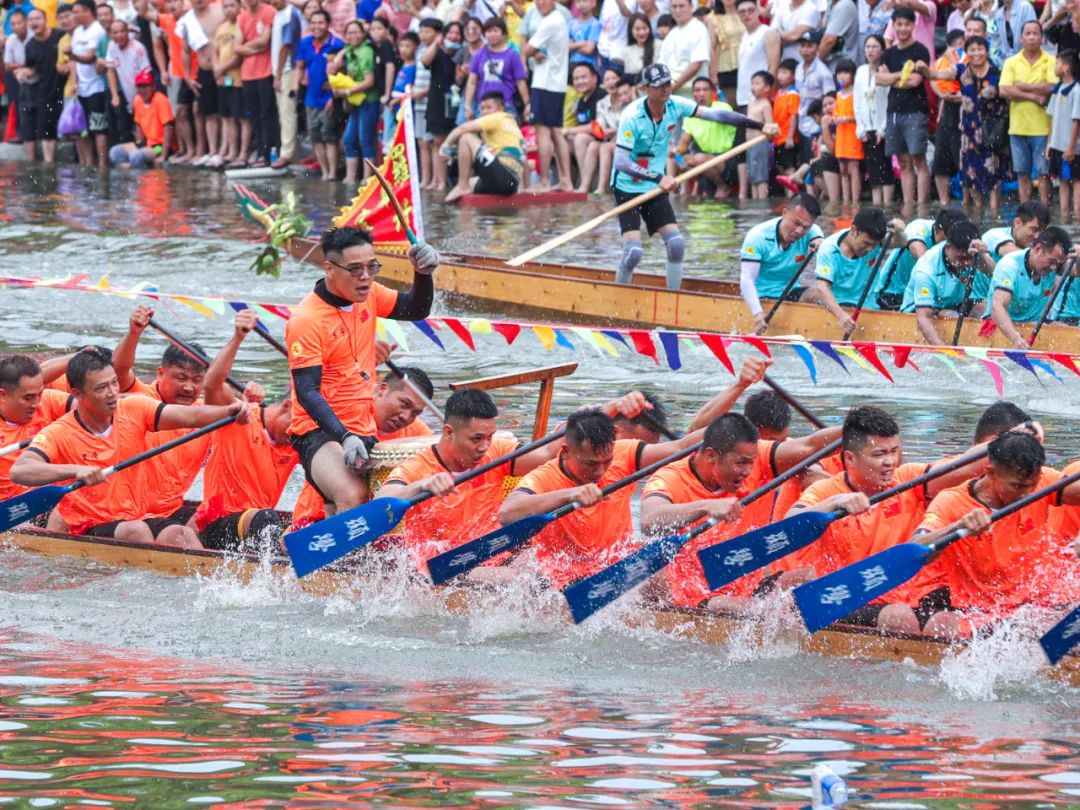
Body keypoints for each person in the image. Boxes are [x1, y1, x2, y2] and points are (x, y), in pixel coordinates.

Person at [11, 347, 250, 548]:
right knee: (135, 531)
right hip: (85, 524)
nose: (113, 393)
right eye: (101, 388)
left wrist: (228, 411)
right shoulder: (60, 431)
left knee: (180, 535)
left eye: (114, 383)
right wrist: (75, 470)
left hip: (136, 516)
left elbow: (192, 416)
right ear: (77, 394)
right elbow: (21, 470)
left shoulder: (135, 408)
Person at [780, 406, 986, 635]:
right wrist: (836, 502)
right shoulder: (826, 490)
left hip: (908, 595)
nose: (890, 461)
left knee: (949, 623)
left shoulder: (908, 479)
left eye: (894, 451)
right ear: (850, 458)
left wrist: (1016, 436)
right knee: (900, 617)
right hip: (848, 596)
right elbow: (790, 524)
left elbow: (968, 465)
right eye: (879, 455)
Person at [377, 388, 619, 579]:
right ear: (449, 432)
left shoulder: (497, 452)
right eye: (476, 438)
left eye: (490, 437)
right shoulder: (418, 467)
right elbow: (382, 504)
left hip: (494, 553)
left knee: (552, 563)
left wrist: (596, 416)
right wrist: (423, 485)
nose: (484, 447)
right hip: (444, 565)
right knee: (518, 579)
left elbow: (546, 453)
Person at [285, 227, 439, 517]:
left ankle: (333, 559)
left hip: (363, 426)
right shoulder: (307, 320)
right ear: (329, 268)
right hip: (318, 432)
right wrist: (344, 437)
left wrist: (423, 273)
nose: (366, 277)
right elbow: (306, 391)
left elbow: (416, 309)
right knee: (353, 495)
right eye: (355, 269)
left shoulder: (368, 294)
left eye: (372, 266)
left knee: (389, 497)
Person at [641, 412, 841, 613]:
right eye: (741, 463)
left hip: (750, 581)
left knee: (822, 578)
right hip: (698, 593)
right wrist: (706, 507)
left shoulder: (755, 455)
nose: (748, 471)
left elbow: (810, 446)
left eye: (751, 462)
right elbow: (649, 521)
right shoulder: (670, 478)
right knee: (757, 612)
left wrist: (858, 428)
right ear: (711, 455)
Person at [612, 63, 778, 291]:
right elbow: (621, 162)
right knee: (634, 252)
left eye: (667, 84)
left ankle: (674, 298)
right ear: (644, 89)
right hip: (627, 187)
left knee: (677, 245)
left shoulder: (675, 105)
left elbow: (718, 115)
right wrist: (657, 177)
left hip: (654, 188)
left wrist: (761, 126)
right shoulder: (631, 115)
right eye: (658, 86)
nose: (665, 90)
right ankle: (619, 295)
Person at [497, 408, 705, 590]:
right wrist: (570, 494)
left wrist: (734, 424)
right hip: (564, 577)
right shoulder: (544, 477)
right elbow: (507, 513)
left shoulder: (625, 452)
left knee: (661, 574)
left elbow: (680, 448)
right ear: (567, 451)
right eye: (590, 463)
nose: (600, 471)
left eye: (607, 461)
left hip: (615, 563)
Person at [915, 431, 1080, 637]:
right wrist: (956, 528)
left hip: (1030, 608)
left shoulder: (1044, 481)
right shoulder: (952, 501)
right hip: (974, 612)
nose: (1027, 494)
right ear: (990, 472)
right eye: (1017, 486)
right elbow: (917, 548)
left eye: (1032, 485)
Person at [191, 311, 297, 554]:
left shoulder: (298, 438)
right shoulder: (240, 416)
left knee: (298, 523)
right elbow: (212, 384)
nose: (299, 432)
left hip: (257, 524)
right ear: (286, 406)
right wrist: (238, 337)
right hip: (216, 524)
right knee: (265, 520)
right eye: (298, 422)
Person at [916, 36, 1009, 210]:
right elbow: (936, 75)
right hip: (969, 132)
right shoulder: (961, 70)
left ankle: (995, 215)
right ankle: (978, 213)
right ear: (966, 52)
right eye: (972, 50)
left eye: (980, 49)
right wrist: (924, 70)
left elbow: (1007, 96)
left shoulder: (998, 72)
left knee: (994, 177)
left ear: (987, 51)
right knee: (972, 176)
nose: (976, 53)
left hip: (991, 131)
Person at [738, 197, 825, 331]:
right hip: (761, 296)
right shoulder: (757, 236)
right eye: (796, 223)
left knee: (822, 296)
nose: (799, 231)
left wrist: (820, 244)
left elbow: (818, 237)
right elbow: (747, 278)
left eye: (805, 227)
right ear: (784, 213)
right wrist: (757, 313)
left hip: (791, 291)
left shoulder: (813, 232)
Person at [813, 207, 904, 334]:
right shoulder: (829, 249)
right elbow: (822, 288)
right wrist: (842, 316)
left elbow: (901, 244)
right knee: (810, 294)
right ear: (854, 230)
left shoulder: (875, 241)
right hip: (838, 306)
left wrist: (899, 232)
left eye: (873, 245)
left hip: (868, 306)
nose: (869, 249)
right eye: (866, 244)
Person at [985, 225, 1073, 349]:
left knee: (1065, 330)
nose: (1054, 268)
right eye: (1052, 262)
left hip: (1033, 325)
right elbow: (997, 307)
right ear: (1038, 249)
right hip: (1000, 328)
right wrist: (1015, 338)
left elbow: (1076, 271)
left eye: (1058, 264)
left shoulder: (1052, 266)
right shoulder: (1009, 266)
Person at [0, 355, 71, 504]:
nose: (37, 404)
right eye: (28, 398)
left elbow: (93, 410)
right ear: (2, 395)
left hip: (52, 497)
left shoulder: (48, 400)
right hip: (10, 511)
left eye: (39, 394)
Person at [900, 220, 985, 345]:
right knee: (952, 315)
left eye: (970, 258)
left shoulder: (973, 255)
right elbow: (923, 318)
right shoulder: (927, 268)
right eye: (962, 258)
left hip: (951, 303)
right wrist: (943, 351)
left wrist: (984, 255)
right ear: (948, 247)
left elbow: (994, 272)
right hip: (917, 310)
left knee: (985, 308)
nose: (967, 263)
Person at [877, 8, 931, 204]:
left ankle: (922, 206)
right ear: (893, 26)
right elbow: (879, 79)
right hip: (893, 111)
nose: (902, 28)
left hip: (915, 110)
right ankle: (909, 205)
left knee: (918, 159)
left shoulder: (920, 50)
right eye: (899, 24)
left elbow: (915, 81)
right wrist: (901, 75)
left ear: (913, 25)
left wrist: (891, 77)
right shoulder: (888, 53)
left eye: (906, 24)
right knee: (903, 161)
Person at [999, 20, 1055, 205]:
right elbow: (1004, 90)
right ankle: (1025, 211)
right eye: (1028, 33)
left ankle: (1044, 211)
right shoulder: (1011, 62)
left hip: (1042, 127)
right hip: (1018, 127)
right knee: (1022, 173)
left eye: (1035, 33)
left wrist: (1022, 87)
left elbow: (1052, 87)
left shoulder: (1051, 60)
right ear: (1021, 37)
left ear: (1041, 37)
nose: (1031, 37)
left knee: (1043, 173)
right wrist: (1034, 96)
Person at [876, 206, 970, 311]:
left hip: (924, 291)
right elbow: (924, 261)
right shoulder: (918, 228)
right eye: (950, 239)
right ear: (939, 230)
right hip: (893, 293)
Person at [523, 0, 571, 191]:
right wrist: (535, 54)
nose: (541, 2)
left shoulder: (550, 21)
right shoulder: (558, 19)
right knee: (556, 132)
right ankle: (566, 180)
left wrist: (532, 53)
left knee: (542, 131)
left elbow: (526, 49)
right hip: (556, 84)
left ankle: (544, 181)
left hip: (545, 83)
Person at [442, 90, 525, 200]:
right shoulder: (512, 124)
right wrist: (524, 187)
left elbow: (462, 128)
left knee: (466, 136)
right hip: (511, 184)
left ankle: (462, 186)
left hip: (503, 176)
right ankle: (464, 187)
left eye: (489, 107)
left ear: (500, 109)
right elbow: (523, 156)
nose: (485, 112)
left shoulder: (498, 117)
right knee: (471, 182)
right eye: (482, 108)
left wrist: (445, 145)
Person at [293, 9, 342, 181]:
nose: (316, 26)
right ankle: (324, 172)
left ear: (328, 24)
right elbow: (299, 66)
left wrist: (333, 97)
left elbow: (344, 73)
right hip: (310, 98)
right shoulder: (305, 43)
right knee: (315, 136)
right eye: (313, 22)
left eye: (320, 22)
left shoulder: (337, 44)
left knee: (329, 136)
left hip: (330, 97)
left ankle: (333, 173)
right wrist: (296, 87)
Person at [328, 19, 376, 185]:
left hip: (369, 100)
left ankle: (368, 178)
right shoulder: (349, 50)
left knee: (365, 138)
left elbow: (369, 81)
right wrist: (339, 57)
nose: (353, 35)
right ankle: (350, 177)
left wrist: (346, 91)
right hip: (355, 102)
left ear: (363, 34)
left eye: (356, 32)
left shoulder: (366, 52)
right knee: (349, 138)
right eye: (349, 33)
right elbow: (337, 61)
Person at [673, 76, 737, 197]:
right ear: (692, 94)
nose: (701, 94)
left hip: (726, 159)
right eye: (697, 90)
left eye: (705, 90)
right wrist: (678, 152)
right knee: (675, 158)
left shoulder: (722, 107)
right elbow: (684, 142)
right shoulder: (690, 115)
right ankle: (678, 191)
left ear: (712, 92)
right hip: (704, 159)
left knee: (699, 158)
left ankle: (722, 186)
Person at [16, 8, 64, 162]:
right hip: (44, 91)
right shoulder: (30, 45)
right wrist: (25, 72)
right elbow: (33, 68)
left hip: (66, 89)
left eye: (37, 18)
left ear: (45, 20)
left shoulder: (60, 36)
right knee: (46, 132)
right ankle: (48, 166)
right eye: (31, 20)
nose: (34, 22)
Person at [235, 0, 278, 168]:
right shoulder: (242, 17)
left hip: (265, 71)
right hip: (247, 74)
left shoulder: (269, 11)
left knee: (267, 115)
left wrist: (246, 46)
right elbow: (236, 47)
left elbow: (265, 41)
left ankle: (268, 154)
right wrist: (254, 47)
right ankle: (261, 152)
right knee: (255, 116)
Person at [463, 18, 527, 121]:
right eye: (488, 31)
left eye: (495, 31)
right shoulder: (479, 54)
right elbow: (472, 83)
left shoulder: (512, 55)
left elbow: (520, 82)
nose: (491, 34)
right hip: (484, 106)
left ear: (503, 33)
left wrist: (527, 104)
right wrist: (467, 106)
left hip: (506, 104)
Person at [68, 0, 107, 171]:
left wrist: (72, 54)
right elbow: (73, 62)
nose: (74, 15)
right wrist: (74, 82)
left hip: (96, 86)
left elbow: (90, 58)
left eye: (77, 12)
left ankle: (103, 166)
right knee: (81, 129)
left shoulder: (97, 30)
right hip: (81, 87)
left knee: (98, 128)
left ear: (89, 12)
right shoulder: (77, 31)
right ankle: (87, 164)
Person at [108, 66, 173, 166]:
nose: (142, 90)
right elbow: (138, 125)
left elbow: (168, 128)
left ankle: (139, 177)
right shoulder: (137, 100)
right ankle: (128, 178)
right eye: (139, 86)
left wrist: (163, 156)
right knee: (114, 152)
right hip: (147, 144)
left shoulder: (160, 100)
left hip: (160, 145)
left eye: (145, 86)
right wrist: (140, 145)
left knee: (136, 156)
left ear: (152, 87)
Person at [929, 29, 965, 206]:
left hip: (964, 108)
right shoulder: (939, 62)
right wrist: (942, 96)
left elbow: (961, 75)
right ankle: (944, 201)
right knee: (940, 159)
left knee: (962, 158)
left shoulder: (967, 59)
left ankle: (968, 200)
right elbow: (933, 80)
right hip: (946, 107)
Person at [855, 34, 892, 205]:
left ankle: (888, 204)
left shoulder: (885, 70)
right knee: (873, 168)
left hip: (882, 125)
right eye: (868, 47)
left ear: (882, 49)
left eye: (875, 46)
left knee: (885, 166)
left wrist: (883, 128)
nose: (870, 50)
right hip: (866, 127)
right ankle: (877, 204)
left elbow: (888, 100)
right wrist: (860, 128)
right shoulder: (861, 71)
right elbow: (857, 100)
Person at [1045, 48, 1080, 218]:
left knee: (1077, 180)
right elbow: (1052, 118)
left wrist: (1072, 147)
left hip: (1073, 147)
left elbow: (1077, 120)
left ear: (1066, 67)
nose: (1055, 67)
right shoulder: (1058, 88)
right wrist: (1049, 143)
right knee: (1062, 180)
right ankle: (1065, 216)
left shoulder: (1076, 91)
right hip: (1057, 145)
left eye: (1057, 63)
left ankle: (1078, 217)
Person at [212, 0, 247, 168]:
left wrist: (222, 68)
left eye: (232, 5)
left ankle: (243, 152)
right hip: (223, 79)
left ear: (240, 6)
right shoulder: (221, 28)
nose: (228, 10)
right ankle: (230, 151)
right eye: (225, 6)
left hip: (238, 78)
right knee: (227, 117)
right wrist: (216, 70)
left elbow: (239, 55)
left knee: (241, 117)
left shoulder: (242, 25)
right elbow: (215, 51)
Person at [794, 31, 834, 171]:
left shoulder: (823, 72)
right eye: (803, 45)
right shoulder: (798, 68)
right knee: (805, 163)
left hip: (816, 126)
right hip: (802, 123)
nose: (805, 49)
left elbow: (830, 100)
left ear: (817, 47)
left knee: (815, 165)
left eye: (810, 46)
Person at [268, 0, 302, 168]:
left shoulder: (289, 14)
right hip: (280, 70)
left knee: (287, 112)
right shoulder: (278, 13)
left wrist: (279, 75)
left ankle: (287, 154)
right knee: (282, 113)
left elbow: (286, 46)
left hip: (288, 69)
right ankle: (287, 151)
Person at [565, 62, 607, 193]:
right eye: (576, 79)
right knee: (562, 141)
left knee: (580, 138)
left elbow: (596, 127)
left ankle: (585, 185)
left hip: (605, 139)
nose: (579, 81)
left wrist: (568, 130)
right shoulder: (580, 101)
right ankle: (567, 184)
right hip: (592, 140)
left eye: (583, 77)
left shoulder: (601, 95)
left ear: (594, 78)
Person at [658, 0, 709, 97]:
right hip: (671, 93)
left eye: (681, 6)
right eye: (674, 6)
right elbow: (662, 64)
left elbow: (696, 64)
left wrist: (673, 86)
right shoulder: (671, 34)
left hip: (693, 93)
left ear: (691, 7)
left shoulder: (699, 29)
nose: (678, 10)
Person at [831, 59, 862, 203]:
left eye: (845, 73)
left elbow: (860, 114)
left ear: (853, 75)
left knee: (853, 168)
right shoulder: (838, 94)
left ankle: (855, 200)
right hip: (841, 136)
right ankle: (846, 200)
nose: (842, 76)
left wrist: (847, 118)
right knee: (843, 169)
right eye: (839, 73)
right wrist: (836, 119)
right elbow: (836, 114)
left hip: (853, 135)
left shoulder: (857, 93)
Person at [743, 69, 774, 199]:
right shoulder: (750, 104)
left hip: (760, 143)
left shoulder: (765, 104)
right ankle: (755, 203)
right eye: (752, 83)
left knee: (761, 177)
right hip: (749, 144)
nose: (753, 87)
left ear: (767, 87)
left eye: (757, 83)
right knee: (753, 176)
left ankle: (762, 202)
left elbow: (770, 126)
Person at [708, 0, 743, 103]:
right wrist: (713, 75)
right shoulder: (713, 17)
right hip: (726, 66)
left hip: (746, 62)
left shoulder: (744, 12)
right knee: (730, 104)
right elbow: (713, 47)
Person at [3, 10, 29, 150]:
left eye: (19, 22)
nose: (16, 26)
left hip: (35, 73)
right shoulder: (11, 39)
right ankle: (20, 133)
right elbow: (8, 65)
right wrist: (22, 66)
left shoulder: (33, 37)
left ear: (26, 22)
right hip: (15, 74)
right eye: (13, 24)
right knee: (17, 100)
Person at [772, 59, 799, 176]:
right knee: (780, 166)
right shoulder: (779, 92)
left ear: (793, 76)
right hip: (778, 136)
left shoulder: (793, 94)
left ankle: (792, 193)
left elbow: (793, 115)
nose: (780, 76)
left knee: (789, 167)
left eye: (784, 72)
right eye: (779, 72)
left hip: (786, 137)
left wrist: (790, 137)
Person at [819, 0, 858, 67]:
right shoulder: (831, 3)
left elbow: (829, 40)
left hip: (843, 67)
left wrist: (816, 62)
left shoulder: (845, 5)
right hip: (832, 65)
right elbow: (823, 29)